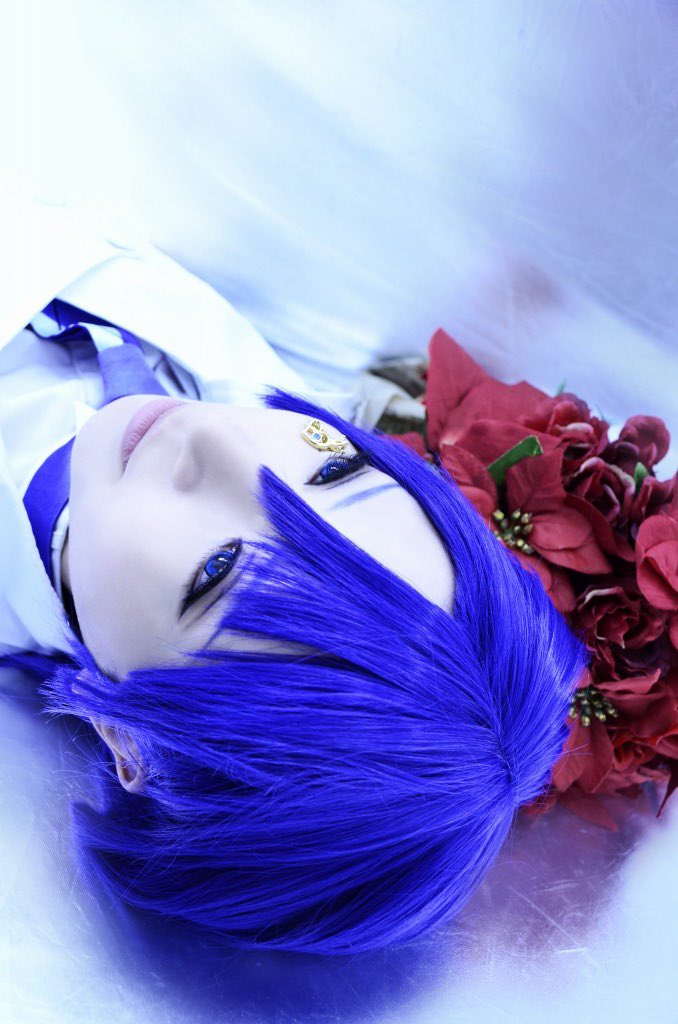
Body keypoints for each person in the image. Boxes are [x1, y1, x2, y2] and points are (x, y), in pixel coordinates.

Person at [0, 190, 589, 956]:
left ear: (129, 743)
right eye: (338, 472)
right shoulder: (286, 366)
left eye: (217, 571)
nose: (220, 442)